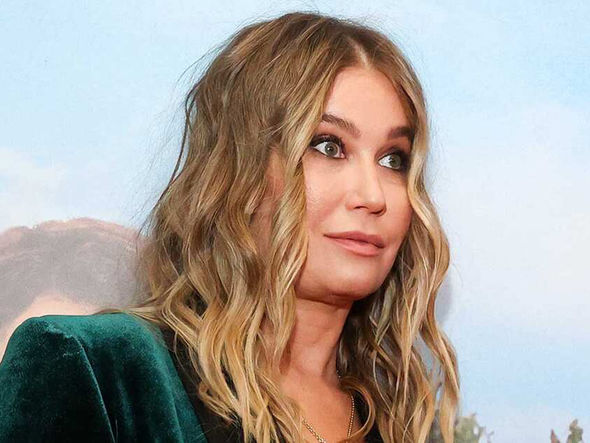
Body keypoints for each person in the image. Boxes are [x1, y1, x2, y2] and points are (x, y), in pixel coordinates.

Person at [0, 11, 459, 443]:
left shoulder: (396, 424)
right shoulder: (95, 370)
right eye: (328, 146)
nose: (374, 195)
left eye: (393, 159)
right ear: (240, 171)